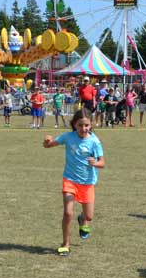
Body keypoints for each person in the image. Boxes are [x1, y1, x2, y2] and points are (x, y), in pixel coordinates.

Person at [42, 109, 105, 256]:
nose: (83, 129)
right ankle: (65, 244)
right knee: (67, 213)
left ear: (91, 125)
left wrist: (95, 163)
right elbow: (49, 145)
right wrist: (47, 141)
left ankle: (82, 219)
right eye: (80, 125)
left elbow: (102, 163)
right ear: (74, 125)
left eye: (86, 125)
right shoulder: (68, 137)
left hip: (87, 183)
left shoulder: (94, 141)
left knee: (89, 216)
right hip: (70, 180)